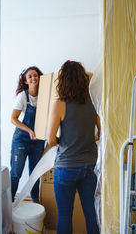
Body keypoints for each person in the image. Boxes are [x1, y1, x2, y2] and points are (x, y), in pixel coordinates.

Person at [47, 61, 100, 234]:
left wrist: (61, 139)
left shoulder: (60, 103)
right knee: (91, 212)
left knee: (64, 215)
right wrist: (93, 137)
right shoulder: (92, 102)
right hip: (90, 166)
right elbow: (101, 130)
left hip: (67, 167)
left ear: (63, 80)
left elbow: (50, 140)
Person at [10, 66, 45, 203]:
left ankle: (35, 202)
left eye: (35, 75)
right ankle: (10, 202)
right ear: (25, 81)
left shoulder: (45, 95)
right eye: (29, 76)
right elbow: (13, 119)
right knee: (16, 173)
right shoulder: (22, 96)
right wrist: (29, 130)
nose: (33, 78)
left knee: (35, 174)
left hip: (38, 140)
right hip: (22, 140)